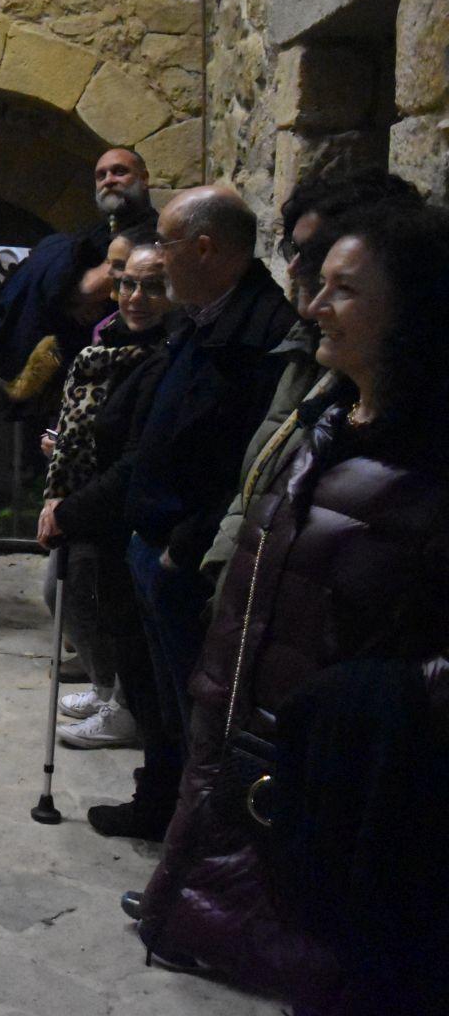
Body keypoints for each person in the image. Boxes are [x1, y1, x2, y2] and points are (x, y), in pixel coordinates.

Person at [135, 202, 449, 1012]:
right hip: (258, 754)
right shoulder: (328, 420)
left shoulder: (433, 463)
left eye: (343, 290)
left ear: (412, 308)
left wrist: (364, 711)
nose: (313, 306)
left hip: (353, 801)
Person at [87, 185, 296, 840]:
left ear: (204, 248)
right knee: (160, 699)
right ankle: (162, 807)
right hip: (153, 539)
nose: (158, 260)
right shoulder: (204, 319)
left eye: (168, 246)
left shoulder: (258, 334)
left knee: (193, 705)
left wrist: (187, 540)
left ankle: (196, 835)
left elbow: (245, 456)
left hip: (184, 554)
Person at [198, 165, 424, 585]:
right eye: (294, 250)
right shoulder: (310, 359)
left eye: (343, 285)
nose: (296, 269)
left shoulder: (405, 428)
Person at [36, 235, 173, 750]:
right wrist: (65, 445)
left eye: (152, 287)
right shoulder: (109, 340)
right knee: (72, 596)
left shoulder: (160, 356)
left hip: (110, 506)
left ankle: (123, 705)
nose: (135, 297)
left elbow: (132, 450)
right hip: (85, 495)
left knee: (105, 606)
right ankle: (107, 689)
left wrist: (72, 503)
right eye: (127, 284)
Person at [0, 147, 158, 403]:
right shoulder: (95, 234)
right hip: (74, 377)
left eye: (120, 172)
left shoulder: (152, 234)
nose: (109, 180)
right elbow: (81, 289)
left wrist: (68, 292)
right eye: (101, 175)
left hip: (122, 373)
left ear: (144, 178)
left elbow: (89, 288)